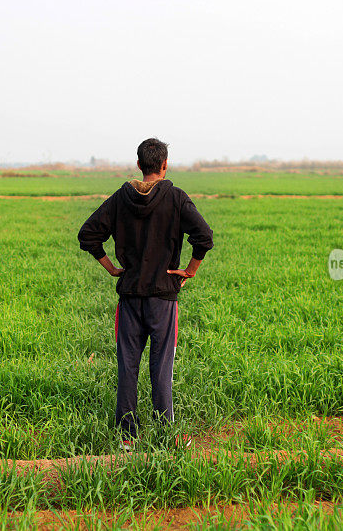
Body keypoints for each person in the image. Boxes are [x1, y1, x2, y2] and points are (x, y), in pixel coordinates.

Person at [78, 138, 214, 451]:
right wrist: (190, 270)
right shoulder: (176, 197)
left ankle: (127, 437)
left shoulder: (120, 197)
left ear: (139, 165)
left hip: (129, 298)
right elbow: (203, 238)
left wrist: (111, 267)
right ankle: (166, 434)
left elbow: (88, 235)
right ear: (164, 165)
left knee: (128, 365)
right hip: (163, 298)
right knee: (161, 367)